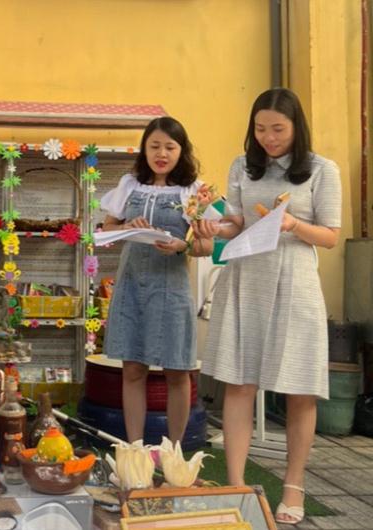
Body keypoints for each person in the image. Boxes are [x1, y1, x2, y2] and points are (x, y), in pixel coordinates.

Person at [193, 88, 341, 525]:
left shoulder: (322, 169)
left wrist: (293, 224)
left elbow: (331, 236)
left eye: (278, 129)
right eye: (260, 129)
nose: (268, 138)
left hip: (295, 280)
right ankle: (237, 484)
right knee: (240, 382)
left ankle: (293, 485)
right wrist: (213, 225)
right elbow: (237, 222)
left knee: (299, 387)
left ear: (297, 127)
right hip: (247, 275)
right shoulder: (243, 165)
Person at [100, 117, 213, 445]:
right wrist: (126, 227)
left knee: (177, 371)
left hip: (172, 289)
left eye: (170, 147)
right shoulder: (129, 185)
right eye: (154, 146)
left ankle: (174, 450)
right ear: (144, 150)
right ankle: (135, 447)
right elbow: (106, 230)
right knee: (133, 369)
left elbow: (207, 245)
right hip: (131, 286)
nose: (161, 154)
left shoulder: (194, 191)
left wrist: (182, 246)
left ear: (182, 151)